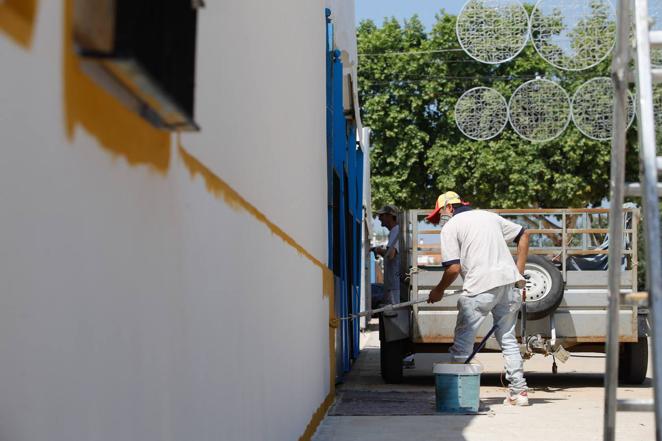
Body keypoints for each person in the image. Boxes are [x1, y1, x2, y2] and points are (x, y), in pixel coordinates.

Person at [425, 191, 530, 406]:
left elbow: (453, 268)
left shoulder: (451, 227)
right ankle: (519, 393)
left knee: (462, 344)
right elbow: (524, 235)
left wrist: (439, 290)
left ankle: (457, 396)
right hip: (509, 286)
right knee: (508, 340)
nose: (440, 220)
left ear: (450, 208)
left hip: (480, 287)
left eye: (440, 214)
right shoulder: (489, 216)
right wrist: (518, 273)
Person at [373, 205, 401, 306]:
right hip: (394, 283)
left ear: (390, 216)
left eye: (381, 215)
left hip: (395, 284)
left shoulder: (396, 231)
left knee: (395, 314)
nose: (379, 218)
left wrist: (379, 250)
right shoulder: (396, 232)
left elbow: (391, 254)